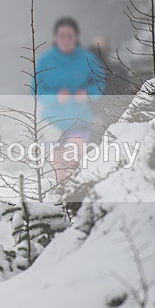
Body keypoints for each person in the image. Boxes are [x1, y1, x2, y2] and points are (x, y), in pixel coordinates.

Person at [34, 17, 105, 184]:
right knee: (58, 166)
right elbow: (35, 90)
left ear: (76, 38)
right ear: (55, 38)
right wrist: (55, 96)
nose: (66, 40)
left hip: (79, 120)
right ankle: (62, 195)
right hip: (51, 121)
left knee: (73, 161)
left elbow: (100, 84)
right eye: (62, 35)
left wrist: (86, 93)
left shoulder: (86, 58)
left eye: (70, 36)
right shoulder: (46, 60)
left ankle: (72, 195)